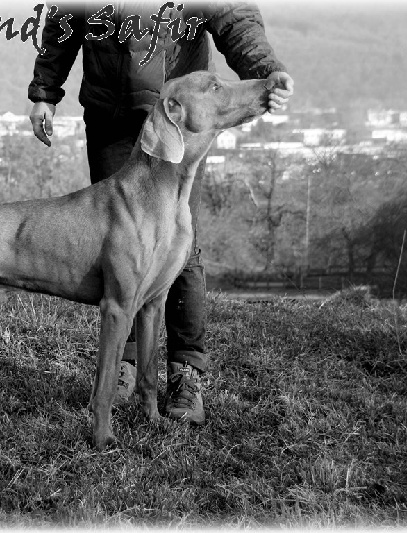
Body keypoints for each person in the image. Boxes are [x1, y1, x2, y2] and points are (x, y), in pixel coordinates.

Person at [28, 2, 293, 423]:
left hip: (179, 118)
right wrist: (45, 92)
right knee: (121, 247)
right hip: (111, 117)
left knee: (181, 247)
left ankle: (185, 371)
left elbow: (233, 17)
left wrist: (265, 70)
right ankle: (127, 362)